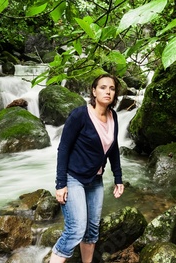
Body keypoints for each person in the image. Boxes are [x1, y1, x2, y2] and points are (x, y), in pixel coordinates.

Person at [49, 73, 125, 263]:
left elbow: (113, 148)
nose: (108, 91)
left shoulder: (113, 116)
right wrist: (61, 184)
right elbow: (63, 148)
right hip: (73, 178)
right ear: (94, 91)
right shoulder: (80, 115)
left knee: (91, 231)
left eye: (112, 88)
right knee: (75, 230)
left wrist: (118, 178)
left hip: (95, 180)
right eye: (103, 87)